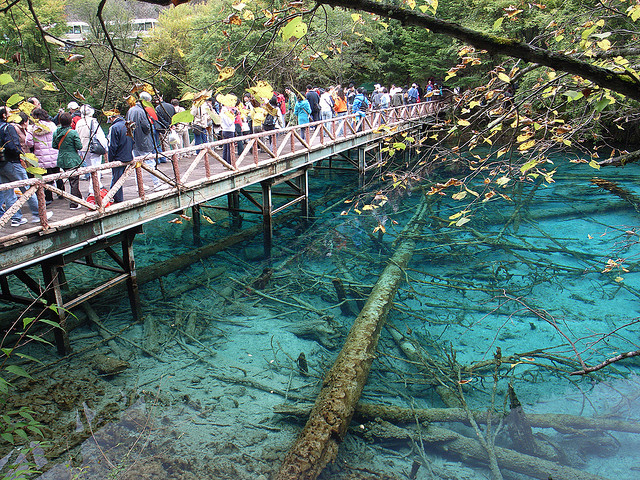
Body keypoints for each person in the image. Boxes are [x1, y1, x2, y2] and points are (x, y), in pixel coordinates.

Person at [0, 107, 52, 225]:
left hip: (1, 164)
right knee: (27, 188)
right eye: (9, 112)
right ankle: (38, 214)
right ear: (4, 115)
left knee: (8, 192)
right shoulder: (8, 128)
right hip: (12, 162)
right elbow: (13, 146)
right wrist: (20, 155)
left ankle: (15, 218)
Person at [127, 92, 164, 190]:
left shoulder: (131, 110)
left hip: (133, 141)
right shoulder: (141, 111)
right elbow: (146, 126)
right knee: (150, 162)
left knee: (137, 164)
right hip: (143, 141)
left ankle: (139, 185)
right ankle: (157, 183)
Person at [26, 108, 62, 204]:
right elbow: (57, 138)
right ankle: (61, 193)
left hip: (41, 156)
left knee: (45, 178)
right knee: (57, 174)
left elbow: (29, 142)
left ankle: (49, 198)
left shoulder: (32, 128)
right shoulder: (52, 125)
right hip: (54, 154)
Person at [53, 112, 84, 210]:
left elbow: (54, 145)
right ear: (71, 121)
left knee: (71, 180)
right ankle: (74, 203)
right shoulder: (72, 132)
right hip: (72, 159)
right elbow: (79, 146)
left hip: (62, 158)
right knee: (74, 181)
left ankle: (79, 199)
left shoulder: (56, 132)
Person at [75, 105, 107, 195]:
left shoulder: (79, 122)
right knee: (96, 168)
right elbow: (100, 136)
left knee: (90, 168)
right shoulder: (93, 121)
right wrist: (105, 147)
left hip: (83, 148)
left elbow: (77, 136)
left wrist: (79, 150)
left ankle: (98, 185)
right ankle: (93, 189)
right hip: (93, 148)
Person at [106, 111, 134, 203]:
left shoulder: (114, 127)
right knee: (118, 178)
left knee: (116, 178)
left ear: (111, 118)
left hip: (119, 157)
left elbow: (112, 145)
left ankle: (117, 198)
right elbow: (133, 141)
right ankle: (113, 196)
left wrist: (111, 160)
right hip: (128, 155)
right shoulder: (128, 125)